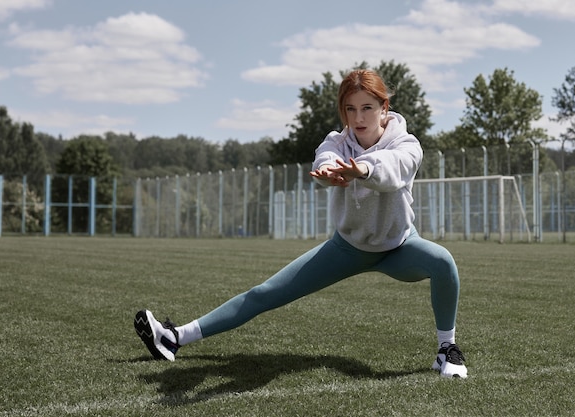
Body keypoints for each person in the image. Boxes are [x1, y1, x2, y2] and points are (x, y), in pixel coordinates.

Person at [134, 69, 468, 378]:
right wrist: (330, 171)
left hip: (399, 246)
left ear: (385, 107)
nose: (358, 117)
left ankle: (446, 349)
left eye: (367, 108)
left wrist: (360, 170)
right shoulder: (337, 141)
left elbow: (395, 167)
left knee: (443, 262)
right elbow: (326, 158)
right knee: (264, 293)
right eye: (350, 109)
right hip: (348, 248)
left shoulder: (406, 143)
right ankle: (174, 336)